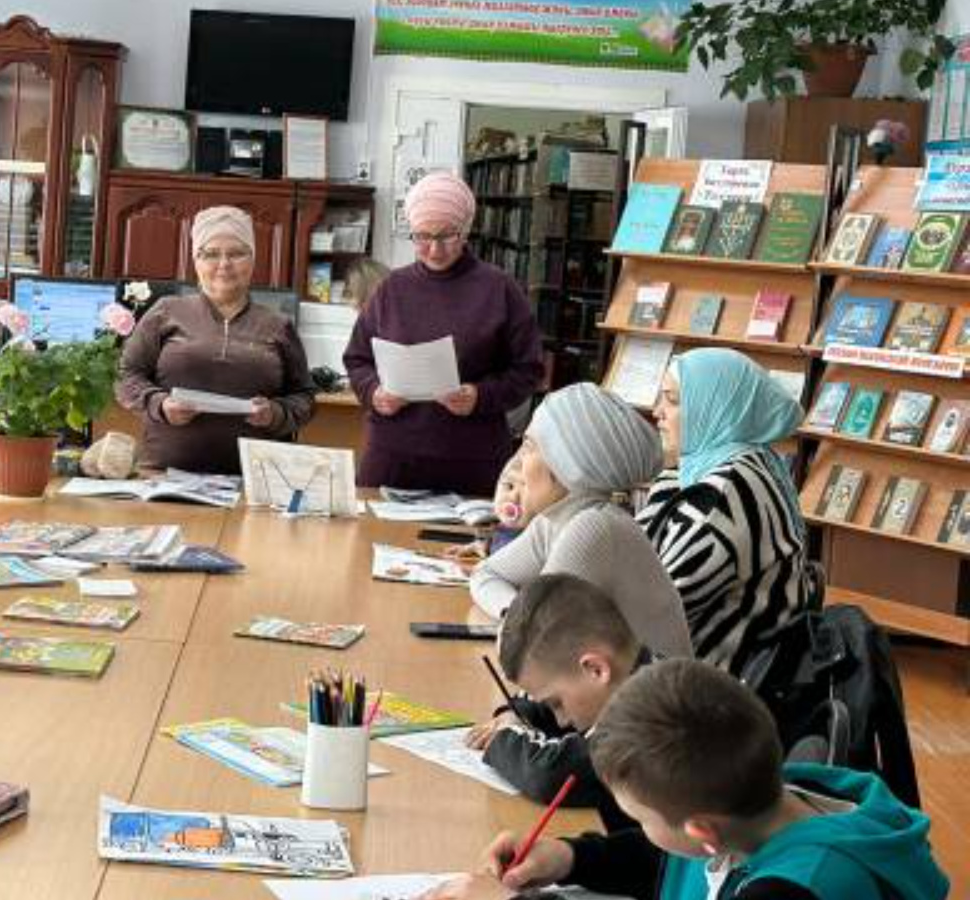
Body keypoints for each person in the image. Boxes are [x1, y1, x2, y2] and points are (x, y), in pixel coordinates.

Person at [427, 659, 950, 900]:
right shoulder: (763, 798)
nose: (639, 828)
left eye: (638, 818)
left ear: (702, 829)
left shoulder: (799, 888)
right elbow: (674, 859)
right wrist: (570, 857)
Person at [342, 171, 543, 494]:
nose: (435, 250)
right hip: (393, 456)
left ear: (466, 231)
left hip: (473, 459)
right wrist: (374, 392)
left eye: (447, 235)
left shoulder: (500, 289)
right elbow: (357, 359)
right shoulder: (392, 288)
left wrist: (480, 396)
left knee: (472, 529)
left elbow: (529, 370)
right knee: (373, 525)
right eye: (422, 236)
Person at [469, 383, 691, 660]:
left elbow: (535, 639)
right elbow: (485, 575)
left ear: (565, 464)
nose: (519, 463)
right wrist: (513, 613)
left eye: (530, 447)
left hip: (651, 689)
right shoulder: (558, 519)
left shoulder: (593, 526)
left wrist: (520, 623)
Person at [640, 348, 812, 675]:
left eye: (672, 400)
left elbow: (658, 606)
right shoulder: (728, 463)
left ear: (714, 407)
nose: (656, 411)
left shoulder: (725, 491)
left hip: (710, 683)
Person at [115, 205, 316, 474]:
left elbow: (304, 397)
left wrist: (275, 413)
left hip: (256, 479)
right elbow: (125, 375)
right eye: (211, 254)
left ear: (253, 259)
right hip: (164, 476)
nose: (224, 264)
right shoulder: (166, 312)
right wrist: (159, 404)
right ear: (195, 261)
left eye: (236, 253)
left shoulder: (278, 326)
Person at [464, 574, 656, 833]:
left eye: (557, 703)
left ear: (596, 670)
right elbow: (536, 702)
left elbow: (549, 775)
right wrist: (515, 713)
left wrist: (503, 738)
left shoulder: (647, 718)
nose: (561, 720)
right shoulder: (639, 672)